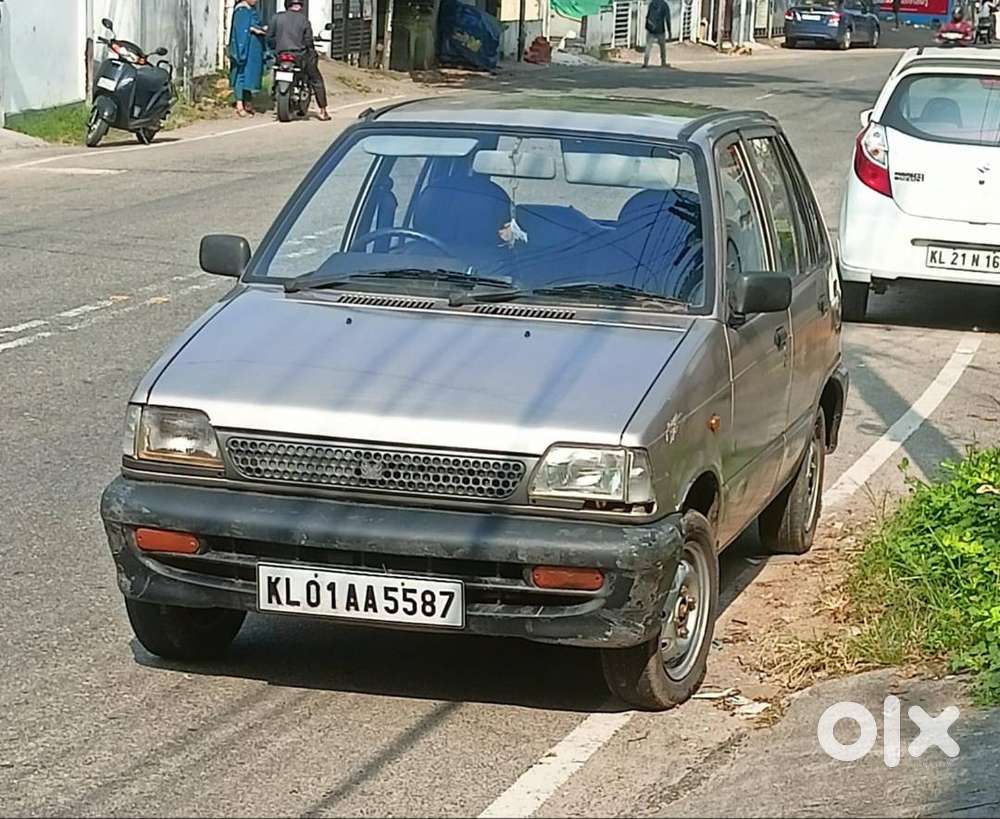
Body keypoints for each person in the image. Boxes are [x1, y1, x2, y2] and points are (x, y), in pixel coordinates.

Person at [267, 0, 330, 120]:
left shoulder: (276, 18)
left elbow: (269, 37)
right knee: (316, 79)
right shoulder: (304, 20)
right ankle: (322, 110)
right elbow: (308, 41)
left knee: (275, 69)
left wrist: (276, 48)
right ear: (300, 6)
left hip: (281, 55)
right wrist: (311, 51)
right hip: (299, 56)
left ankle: (274, 90)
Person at [229, 0, 266, 117]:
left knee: (249, 75)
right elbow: (241, 31)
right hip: (244, 48)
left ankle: (247, 102)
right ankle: (239, 104)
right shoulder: (241, 11)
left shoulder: (251, 10)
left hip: (252, 50)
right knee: (241, 74)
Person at [643, 0, 672, 69]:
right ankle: (663, 62)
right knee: (662, 47)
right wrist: (669, 31)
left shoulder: (651, 3)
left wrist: (647, 26)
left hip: (651, 29)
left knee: (648, 47)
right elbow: (667, 19)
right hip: (660, 29)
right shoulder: (665, 5)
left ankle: (645, 63)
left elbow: (648, 15)